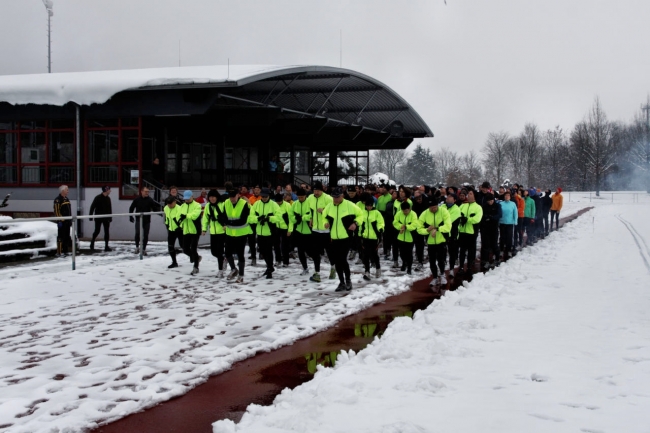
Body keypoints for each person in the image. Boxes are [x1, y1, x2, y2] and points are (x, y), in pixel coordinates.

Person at [323, 187, 363, 291]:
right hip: (334, 237)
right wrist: (325, 223)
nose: (335, 199)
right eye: (334, 197)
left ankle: (348, 281)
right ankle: (341, 282)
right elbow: (324, 216)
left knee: (342, 259)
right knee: (336, 261)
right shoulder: (329, 206)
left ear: (342, 196)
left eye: (337, 197)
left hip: (346, 237)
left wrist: (355, 223)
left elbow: (360, 215)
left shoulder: (349, 205)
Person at [418, 197, 451, 287]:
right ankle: (435, 277)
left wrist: (437, 229)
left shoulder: (443, 211)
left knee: (441, 260)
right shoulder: (424, 214)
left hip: (441, 240)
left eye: (435, 207)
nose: (433, 209)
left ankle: (443, 274)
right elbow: (419, 228)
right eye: (431, 208)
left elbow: (448, 226)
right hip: (431, 242)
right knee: (432, 261)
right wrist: (427, 230)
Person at [306, 181, 335, 283]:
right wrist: (310, 218)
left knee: (329, 251)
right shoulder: (310, 198)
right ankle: (317, 273)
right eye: (314, 190)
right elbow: (310, 210)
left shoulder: (328, 198)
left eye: (318, 190)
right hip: (315, 229)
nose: (316, 192)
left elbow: (334, 211)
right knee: (315, 252)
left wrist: (324, 210)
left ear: (322, 190)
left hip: (326, 230)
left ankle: (333, 268)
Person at [223, 188, 253, 283]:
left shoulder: (244, 204)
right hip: (229, 232)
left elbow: (243, 220)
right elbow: (223, 216)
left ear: (238, 195)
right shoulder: (226, 203)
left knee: (240, 254)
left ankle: (241, 274)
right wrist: (227, 222)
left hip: (241, 233)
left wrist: (229, 222)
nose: (232, 199)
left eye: (234, 197)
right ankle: (233, 269)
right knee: (227, 253)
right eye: (230, 197)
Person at [457, 190, 483, 275]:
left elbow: (477, 219)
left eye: (470, 193)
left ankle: (469, 267)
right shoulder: (463, 205)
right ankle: (461, 267)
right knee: (462, 251)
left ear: (474, 196)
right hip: (462, 231)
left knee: (471, 251)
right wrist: (461, 218)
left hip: (471, 232)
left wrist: (468, 219)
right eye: (468, 193)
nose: (468, 195)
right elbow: (458, 214)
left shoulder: (478, 207)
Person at [201, 189, 227, 277]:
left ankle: (220, 270)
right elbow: (205, 218)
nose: (212, 199)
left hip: (222, 231)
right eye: (210, 197)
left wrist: (225, 225)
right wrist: (204, 229)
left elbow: (226, 216)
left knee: (219, 251)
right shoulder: (208, 206)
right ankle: (224, 259)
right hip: (213, 232)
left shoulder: (223, 204)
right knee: (213, 252)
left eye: (214, 197)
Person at [359, 196, 385, 280]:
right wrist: (360, 234)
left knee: (374, 254)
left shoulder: (377, 213)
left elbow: (381, 222)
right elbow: (360, 224)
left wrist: (380, 229)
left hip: (374, 237)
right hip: (365, 237)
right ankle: (367, 271)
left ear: (373, 205)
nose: (369, 207)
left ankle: (378, 268)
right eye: (367, 206)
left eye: (370, 206)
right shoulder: (362, 212)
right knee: (365, 255)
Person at [128, 187, 160, 255]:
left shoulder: (150, 200)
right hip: (138, 219)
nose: (147, 193)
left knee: (145, 235)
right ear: (141, 191)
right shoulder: (137, 199)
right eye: (145, 191)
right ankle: (137, 247)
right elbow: (131, 208)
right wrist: (130, 216)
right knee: (137, 233)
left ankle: (144, 249)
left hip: (147, 220)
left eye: (148, 192)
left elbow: (154, 208)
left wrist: (160, 212)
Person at [178, 190, 202, 275]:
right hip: (186, 230)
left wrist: (186, 216)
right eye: (185, 199)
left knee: (193, 248)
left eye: (188, 198)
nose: (186, 200)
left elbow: (195, 215)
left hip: (195, 230)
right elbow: (179, 215)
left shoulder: (197, 205)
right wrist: (180, 222)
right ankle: (196, 257)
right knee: (185, 249)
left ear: (192, 197)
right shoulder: (182, 206)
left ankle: (196, 266)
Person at [290, 188, 313, 276]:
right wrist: (296, 219)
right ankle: (305, 268)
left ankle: (316, 267)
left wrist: (303, 217)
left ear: (305, 196)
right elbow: (290, 215)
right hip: (299, 231)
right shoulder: (295, 204)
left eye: (302, 197)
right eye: (299, 197)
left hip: (309, 231)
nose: (300, 199)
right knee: (300, 251)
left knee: (311, 251)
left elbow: (312, 215)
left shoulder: (309, 203)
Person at [393, 201, 419, 275]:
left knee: (409, 253)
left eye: (406, 211)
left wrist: (406, 227)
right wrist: (400, 226)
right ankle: (404, 262)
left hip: (410, 237)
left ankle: (409, 268)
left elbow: (414, 224)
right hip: (401, 236)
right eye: (403, 211)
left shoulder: (413, 214)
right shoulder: (399, 213)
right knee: (401, 253)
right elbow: (395, 222)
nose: (405, 212)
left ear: (409, 209)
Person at [480, 193, 502, 270]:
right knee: (486, 245)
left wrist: (492, 217)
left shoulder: (497, 206)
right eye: (489, 201)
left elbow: (499, 215)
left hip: (494, 227)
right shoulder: (484, 206)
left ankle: (497, 258)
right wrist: (485, 218)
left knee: (494, 244)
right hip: (486, 228)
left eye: (492, 200)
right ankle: (486, 260)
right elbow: (482, 215)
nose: (490, 202)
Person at [89, 185, 113, 252]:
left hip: (106, 218)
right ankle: (92, 242)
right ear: (106, 190)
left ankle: (106, 246)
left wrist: (110, 217)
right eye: (109, 189)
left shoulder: (108, 199)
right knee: (97, 230)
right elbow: (92, 207)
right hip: (98, 217)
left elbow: (109, 209)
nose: (110, 191)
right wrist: (90, 216)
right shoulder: (98, 198)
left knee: (107, 232)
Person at [274, 193, 294, 267]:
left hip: (285, 228)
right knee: (276, 245)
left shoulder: (287, 205)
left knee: (284, 246)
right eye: (277, 202)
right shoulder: (274, 205)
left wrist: (290, 230)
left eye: (279, 201)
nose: (278, 203)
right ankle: (278, 260)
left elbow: (291, 218)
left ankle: (286, 261)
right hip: (277, 227)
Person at [163, 196, 183, 269]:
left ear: (175, 202)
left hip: (179, 230)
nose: (169, 205)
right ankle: (174, 262)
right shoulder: (166, 208)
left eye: (171, 204)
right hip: (171, 230)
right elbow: (167, 218)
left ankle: (193, 257)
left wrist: (180, 227)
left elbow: (182, 219)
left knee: (183, 245)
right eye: (168, 204)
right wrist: (167, 225)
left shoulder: (179, 208)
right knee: (170, 247)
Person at [411, 191, 429, 271]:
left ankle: (432, 257)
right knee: (419, 245)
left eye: (420, 198)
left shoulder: (427, 202)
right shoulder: (413, 204)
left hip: (428, 225)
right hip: (418, 226)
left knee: (430, 242)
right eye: (416, 198)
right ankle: (420, 261)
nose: (418, 200)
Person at [498, 191, 518, 260]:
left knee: (509, 237)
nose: (507, 197)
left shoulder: (513, 204)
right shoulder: (501, 204)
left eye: (508, 196)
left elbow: (515, 213)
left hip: (510, 223)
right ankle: (501, 250)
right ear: (504, 196)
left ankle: (508, 250)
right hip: (502, 223)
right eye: (506, 195)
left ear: (510, 197)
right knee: (502, 237)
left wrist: (515, 221)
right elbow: (498, 213)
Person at [53, 185, 72, 257]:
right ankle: (59, 252)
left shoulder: (66, 199)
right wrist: (60, 220)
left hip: (67, 221)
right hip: (62, 222)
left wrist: (70, 219)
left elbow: (69, 211)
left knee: (67, 236)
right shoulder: (58, 200)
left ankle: (66, 251)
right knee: (61, 237)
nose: (68, 191)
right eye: (67, 190)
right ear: (62, 191)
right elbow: (57, 211)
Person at [445, 194, 461, 277]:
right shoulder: (442, 207)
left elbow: (449, 221)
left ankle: (451, 269)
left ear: (454, 200)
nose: (448, 198)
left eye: (450, 197)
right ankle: (441, 270)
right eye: (448, 197)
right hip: (442, 233)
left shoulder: (456, 209)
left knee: (452, 253)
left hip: (452, 234)